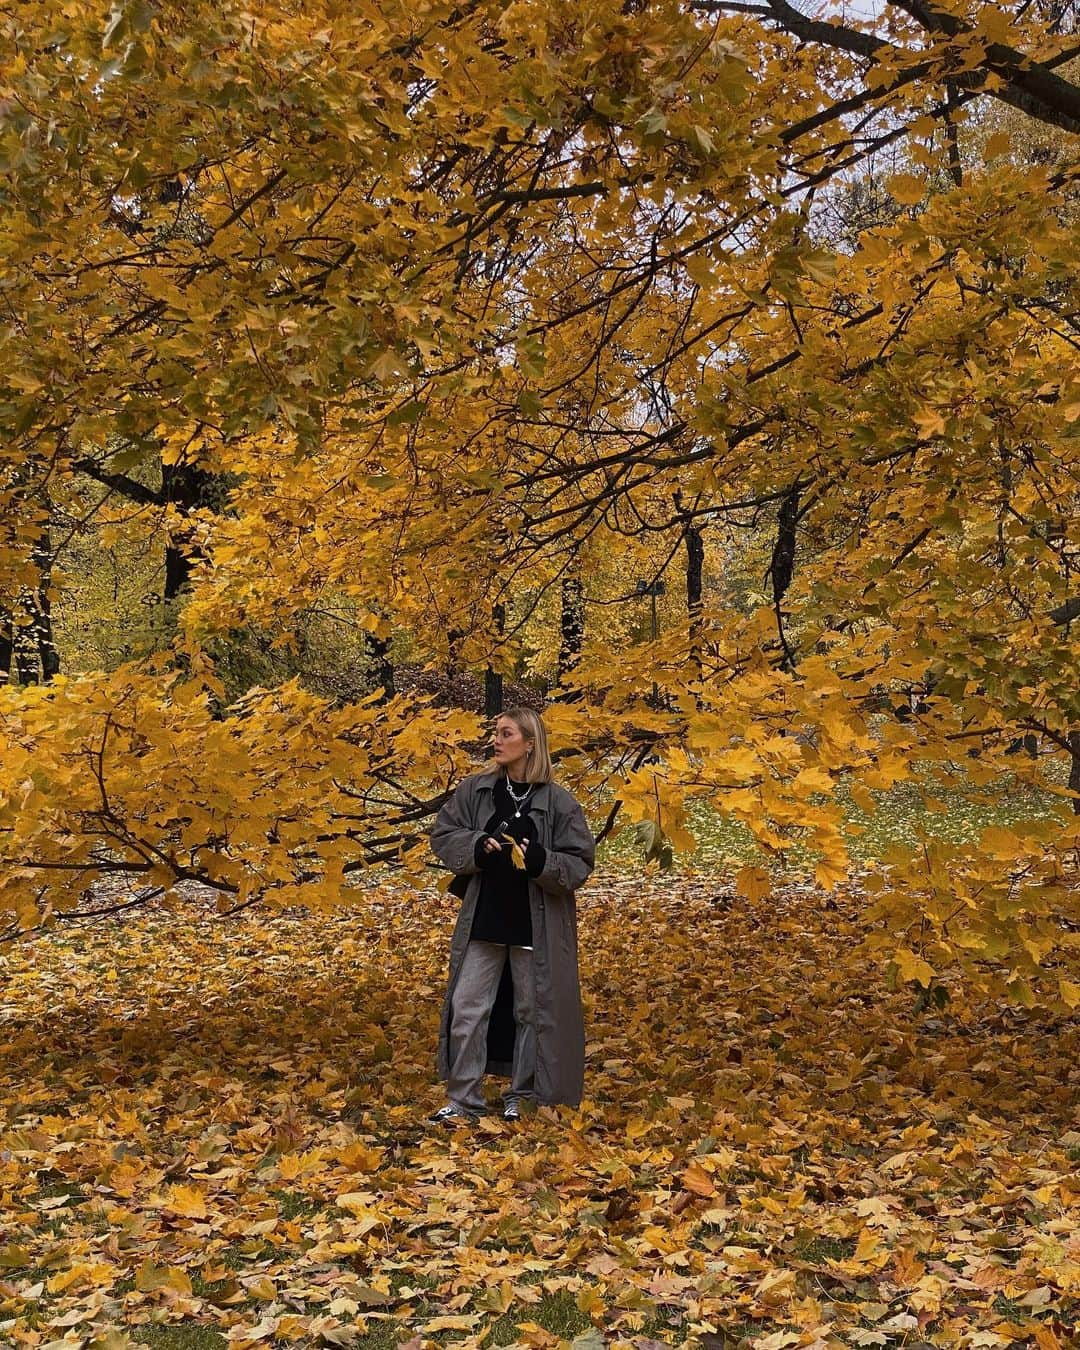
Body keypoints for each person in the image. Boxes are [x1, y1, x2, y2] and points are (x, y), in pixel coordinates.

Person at [428, 707, 595, 1125]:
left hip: (534, 923)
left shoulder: (559, 802)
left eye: (506, 734)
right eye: (495, 733)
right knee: (468, 1008)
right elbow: (444, 834)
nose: (496, 741)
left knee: (530, 1012)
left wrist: (540, 860)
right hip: (485, 920)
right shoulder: (477, 791)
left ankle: (521, 1096)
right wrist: (476, 843)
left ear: (530, 743)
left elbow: (579, 864)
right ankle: (463, 1100)